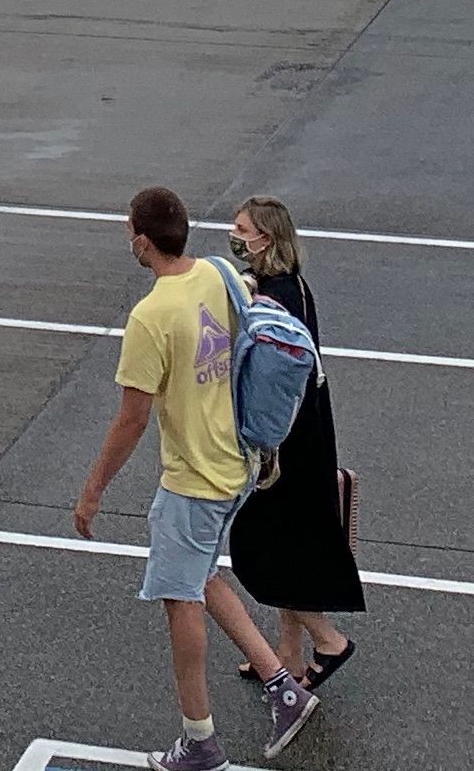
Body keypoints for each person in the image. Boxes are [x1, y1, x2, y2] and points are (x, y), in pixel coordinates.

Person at [74, 185, 319, 767]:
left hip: (194, 480)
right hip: (236, 463)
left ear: (141, 241)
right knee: (203, 575)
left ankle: (199, 740)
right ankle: (283, 687)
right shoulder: (215, 274)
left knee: (179, 598)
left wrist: (91, 492)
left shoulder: (151, 315)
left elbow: (131, 418)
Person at [221, 198, 363, 690]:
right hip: (310, 432)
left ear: (266, 238)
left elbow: (268, 389)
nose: (234, 234)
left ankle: (329, 641)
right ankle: (288, 655)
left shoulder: (271, 299)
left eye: (242, 228)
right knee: (293, 545)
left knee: (261, 549)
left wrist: (255, 445)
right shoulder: (293, 286)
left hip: (286, 446)